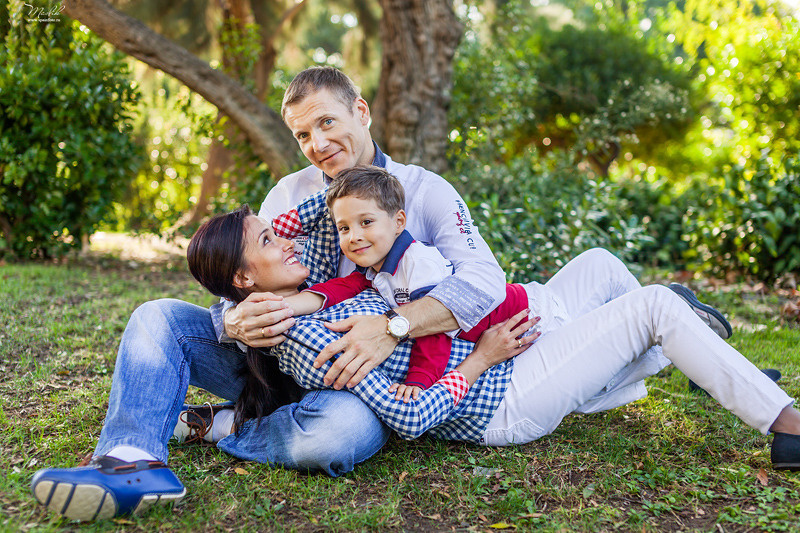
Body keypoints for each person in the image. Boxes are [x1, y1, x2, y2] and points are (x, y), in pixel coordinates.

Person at [29, 66, 511, 521]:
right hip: (281, 363)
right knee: (159, 318)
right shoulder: (286, 195)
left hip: (362, 382)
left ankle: (224, 425)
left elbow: (484, 284)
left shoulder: (423, 191)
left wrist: (393, 327)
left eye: (327, 122)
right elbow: (246, 275)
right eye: (303, 134)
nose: (318, 144)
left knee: (334, 436)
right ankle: (130, 462)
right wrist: (229, 321)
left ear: (360, 112)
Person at [180, 203, 800, 464]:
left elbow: (329, 203)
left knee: (601, 265)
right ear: (242, 276)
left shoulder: (309, 286)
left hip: (507, 355)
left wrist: (348, 144)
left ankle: (693, 356)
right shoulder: (308, 340)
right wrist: (479, 358)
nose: (285, 238)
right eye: (267, 240)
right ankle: (787, 426)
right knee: (655, 308)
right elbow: (411, 417)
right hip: (499, 399)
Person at [271, 165, 542, 402]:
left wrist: (419, 381)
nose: (354, 236)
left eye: (366, 222)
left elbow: (434, 328)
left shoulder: (417, 264)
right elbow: (343, 287)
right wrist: (284, 305)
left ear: (398, 221)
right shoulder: (374, 266)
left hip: (525, 314)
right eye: (344, 228)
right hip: (494, 332)